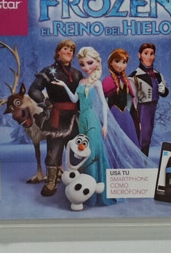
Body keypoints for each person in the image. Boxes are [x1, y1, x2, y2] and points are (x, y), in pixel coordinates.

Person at [50, 46, 115, 208]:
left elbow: (104, 105)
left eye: (89, 63)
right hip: (82, 120)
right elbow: (74, 100)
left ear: (97, 62)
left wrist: (105, 125)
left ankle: (94, 194)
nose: (85, 67)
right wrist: (64, 86)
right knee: (83, 153)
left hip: (92, 120)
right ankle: (85, 191)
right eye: (82, 64)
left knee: (91, 153)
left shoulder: (97, 83)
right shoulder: (81, 82)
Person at [28, 41, 82, 197]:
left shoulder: (77, 74)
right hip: (56, 118)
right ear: (58, 52)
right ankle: (51, 182)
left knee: (77, 151)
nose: (69, 51)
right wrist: (46, 104)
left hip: (75, 118)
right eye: (65, 48)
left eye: (71, 50)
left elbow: (83, 94)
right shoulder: (49, 72)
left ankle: (78, 180)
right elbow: (34, 90)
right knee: (54, 150)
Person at [130, 42, 169, 156]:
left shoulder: (157, 75)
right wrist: (135, 116)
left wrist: (163, 90)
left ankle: (144, 158)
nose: (149, 57)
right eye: (146, 53)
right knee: (143, 136)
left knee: (148, 135)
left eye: (152, 54)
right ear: (139, 55)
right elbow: (131, 98)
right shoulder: (134, 75)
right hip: (142, 108)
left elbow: (164, 92)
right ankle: (140, 158)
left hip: (153, 107)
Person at [102, 48, 140, 147]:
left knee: (129, 139)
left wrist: (130, 112)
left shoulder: (126, 81)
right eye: (117, 61)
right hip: (113, 114)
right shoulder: (107, 81)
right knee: (115, 141)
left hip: (125, 115)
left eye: (124, 62)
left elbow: (130, 99)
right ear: (111, 62)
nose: (120, 65)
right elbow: (104, 101)